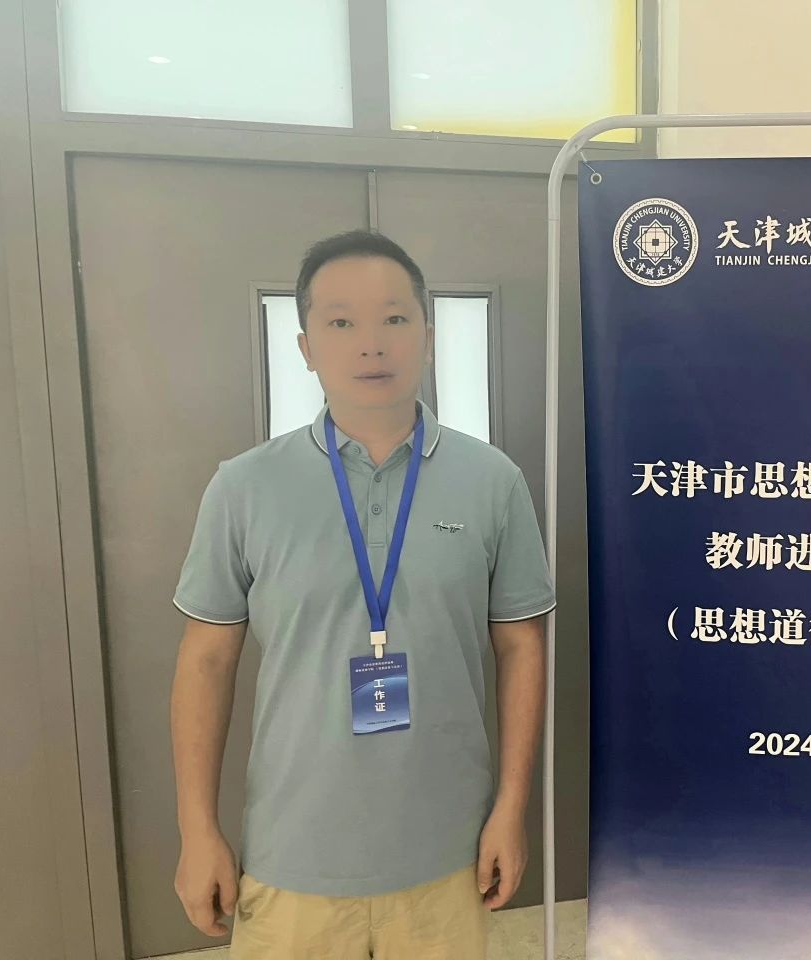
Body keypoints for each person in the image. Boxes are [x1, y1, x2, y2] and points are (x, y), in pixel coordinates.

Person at [169, 229, 555, 959]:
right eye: (341, 322)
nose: (371, 344)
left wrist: (511, 808)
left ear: (428, 338)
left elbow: (521, 646)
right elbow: (206, 661)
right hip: (290, 858)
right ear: (306, 347)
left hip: (448, 856)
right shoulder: (244, 487)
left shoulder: (493, 481)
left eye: (395, 318)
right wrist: (197, 829)